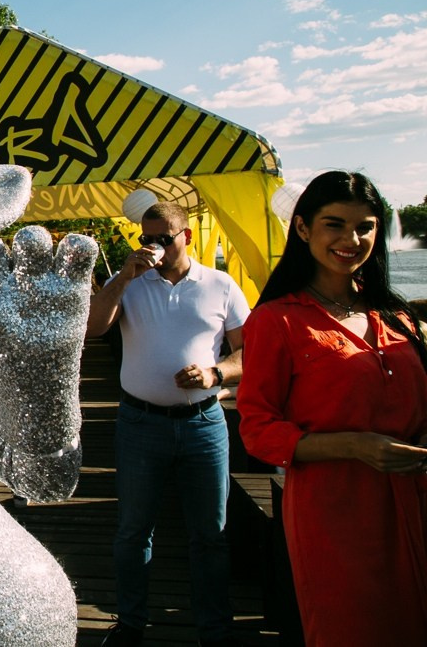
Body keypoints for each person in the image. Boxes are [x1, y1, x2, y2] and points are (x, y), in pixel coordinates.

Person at [238, 171, 427, 646]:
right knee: (353, 628)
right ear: (302, 228)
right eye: (335, 225)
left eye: (365, 227)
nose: (352, 240)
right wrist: (352, 446)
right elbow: (257, 429)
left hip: (416, 498)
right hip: (336, 512)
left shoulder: (396, 315)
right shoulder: (277, 319)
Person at [86, 201, 249, 647]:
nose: (153, 246)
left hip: (203, 423)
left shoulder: (220, 285)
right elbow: (94, 328)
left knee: (210, 534)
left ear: (187, 237)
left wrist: (216, 373)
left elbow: (249, 352)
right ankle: (130, 625)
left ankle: (215, 631)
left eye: (163, 238)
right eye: (146, 238)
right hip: (141, 422)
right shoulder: (131, 284)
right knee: (133, 531)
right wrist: (124, 277)